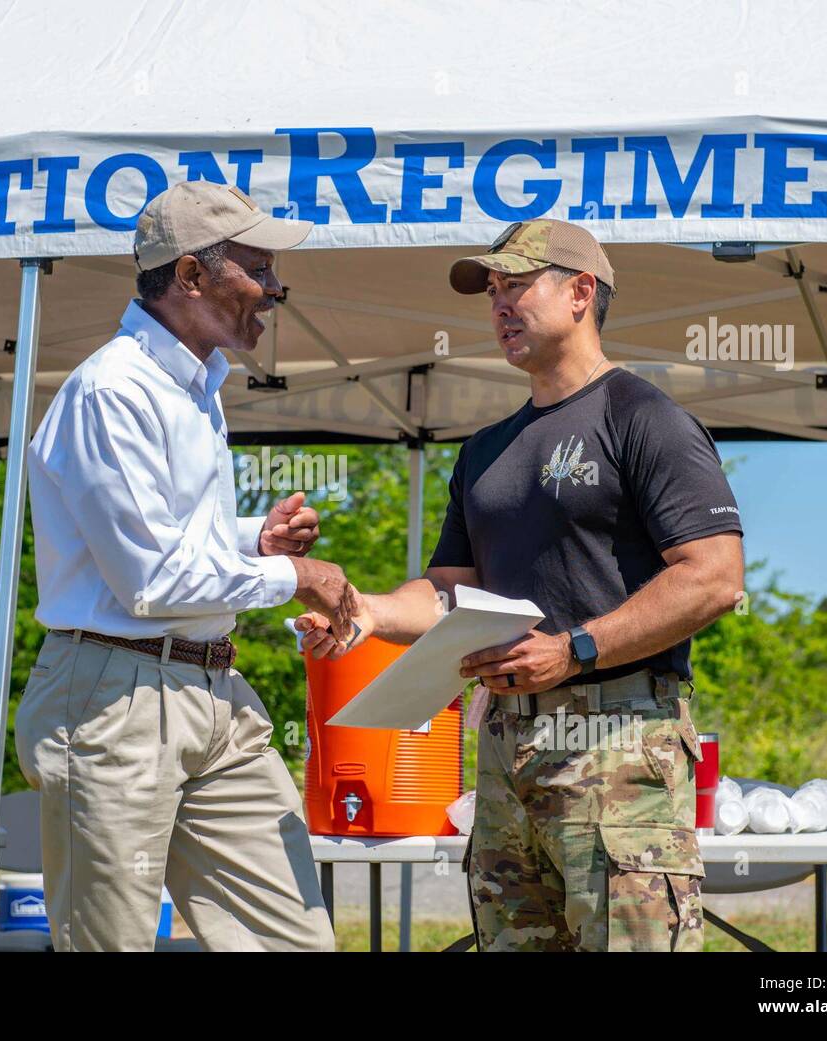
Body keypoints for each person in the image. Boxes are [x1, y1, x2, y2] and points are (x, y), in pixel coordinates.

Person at [297, 218, 745, 951]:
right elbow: (451, 591)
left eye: (517, 284)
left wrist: (576, 649)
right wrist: (366, 613)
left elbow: (714, 578)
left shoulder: (644, 418)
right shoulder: (487, 449)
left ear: (580, 292)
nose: (500, 304)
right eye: (492, 291)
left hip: (619, 743)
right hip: (506, 750)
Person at [15, 181, 357, 951]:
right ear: (191, 277)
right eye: (258, 268)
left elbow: (165, 539)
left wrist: (252, 542)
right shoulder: (112, 390)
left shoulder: (195, 386)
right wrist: (298, 577)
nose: (275, 289)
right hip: (113, 699)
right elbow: (154, 582)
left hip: (206, 692)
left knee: (295, 940)